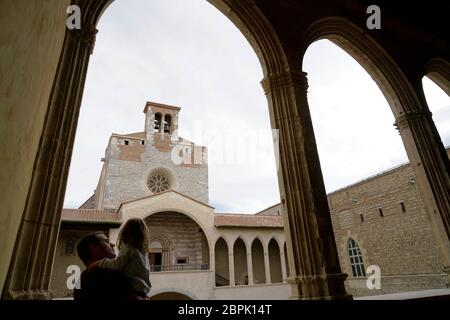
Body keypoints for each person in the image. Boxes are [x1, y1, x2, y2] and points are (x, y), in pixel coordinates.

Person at [88, 218, 152, 300]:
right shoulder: (143, 253)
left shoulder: (128, 248)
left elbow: (116, 264)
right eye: (106, 242)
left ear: (125, 233)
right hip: (142, 291)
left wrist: (99, 263)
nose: (112, 244)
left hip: (134, 290)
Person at [74, 232, 136, 300]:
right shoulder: (111, 274)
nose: (113, 245)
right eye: (106, 241)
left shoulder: (79, 283)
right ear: (93, 247)